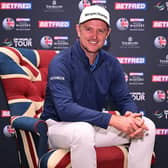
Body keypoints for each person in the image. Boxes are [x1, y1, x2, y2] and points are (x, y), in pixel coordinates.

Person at [41, 5, 156, 168]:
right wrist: (112, 120)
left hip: (91, 125)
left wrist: (131, 114)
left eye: (100, 31)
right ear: (78, 30)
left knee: (147, 127)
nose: (94, 36)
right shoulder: (61, 62)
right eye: (88, 29)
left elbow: (123, 99)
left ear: (107, 33)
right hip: (57, 127)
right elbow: (64, 109)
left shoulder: (111, 63)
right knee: (83, 131)